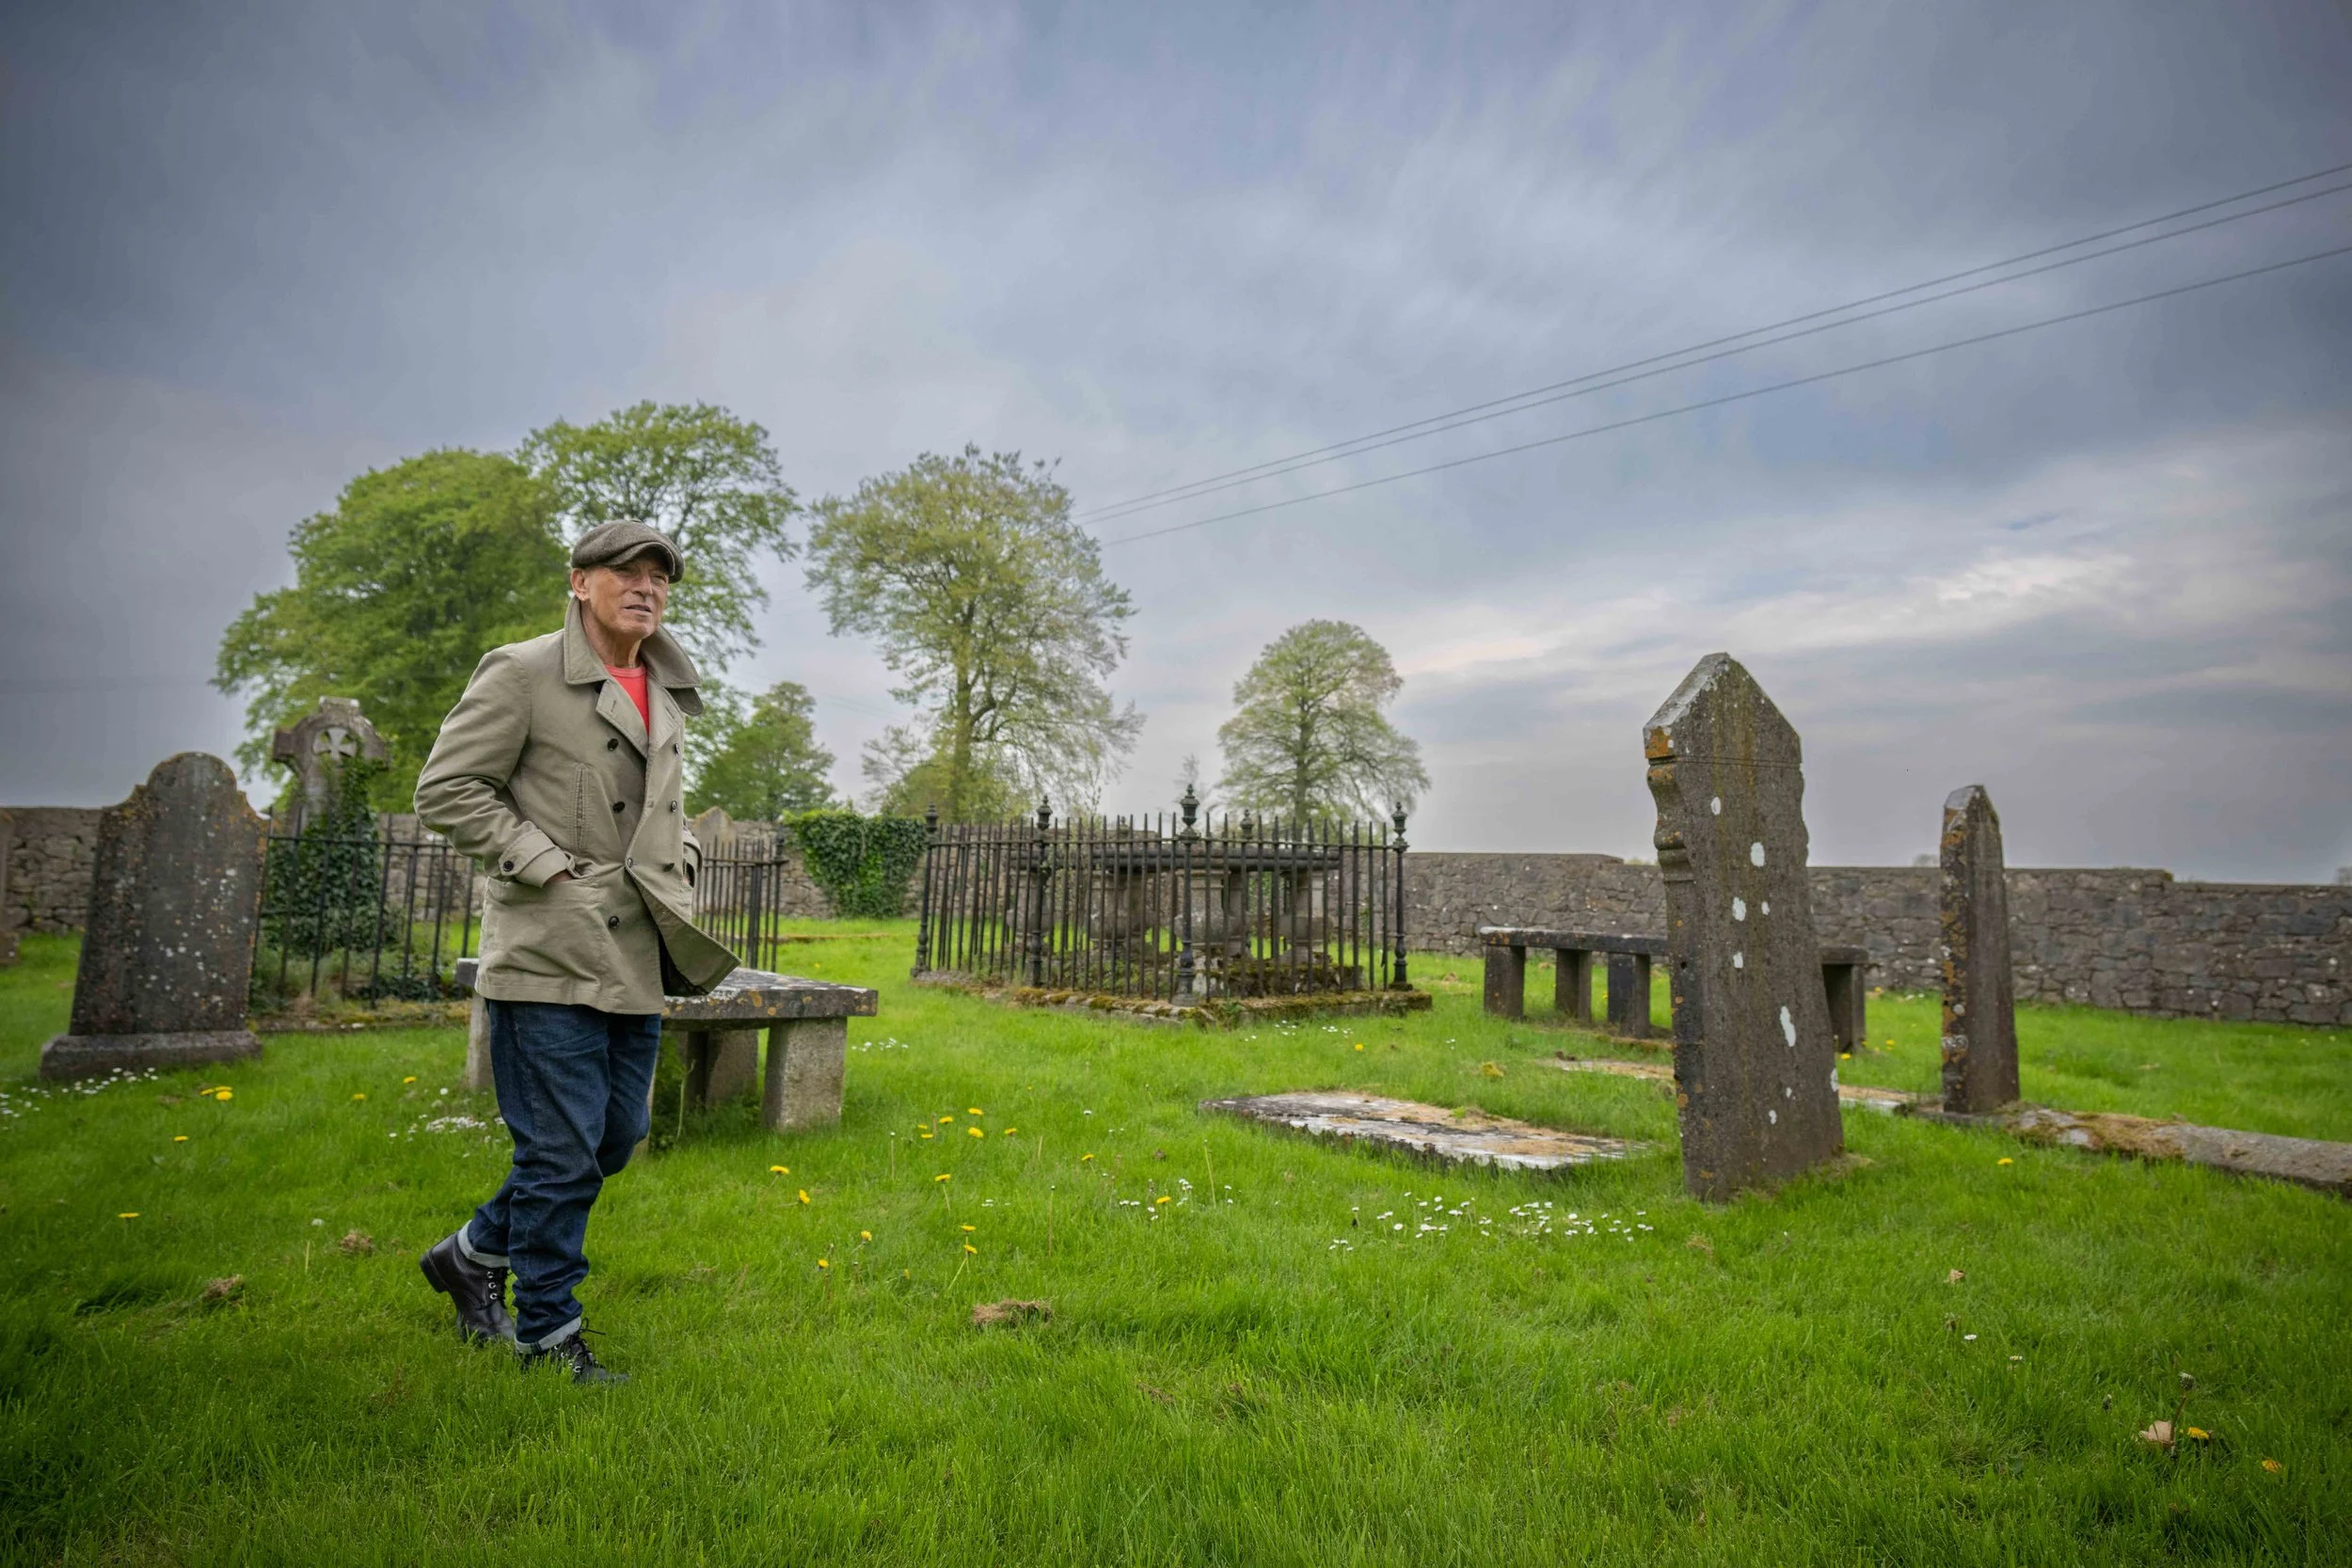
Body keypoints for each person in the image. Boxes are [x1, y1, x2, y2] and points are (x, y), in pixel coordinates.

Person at [413, 519, 738, 1384]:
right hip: (549, 945)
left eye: (659, 576)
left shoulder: (664, 686)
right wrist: (540, 862)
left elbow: (661, 809)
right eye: (624, 571)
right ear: (579, 581)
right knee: (557, 1152)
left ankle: (474, 1251)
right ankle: (548, 1334)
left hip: (636, 952)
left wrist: (685, 863)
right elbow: (446, 786)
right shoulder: (520, 671)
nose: (646, 586)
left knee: (616, 1134)